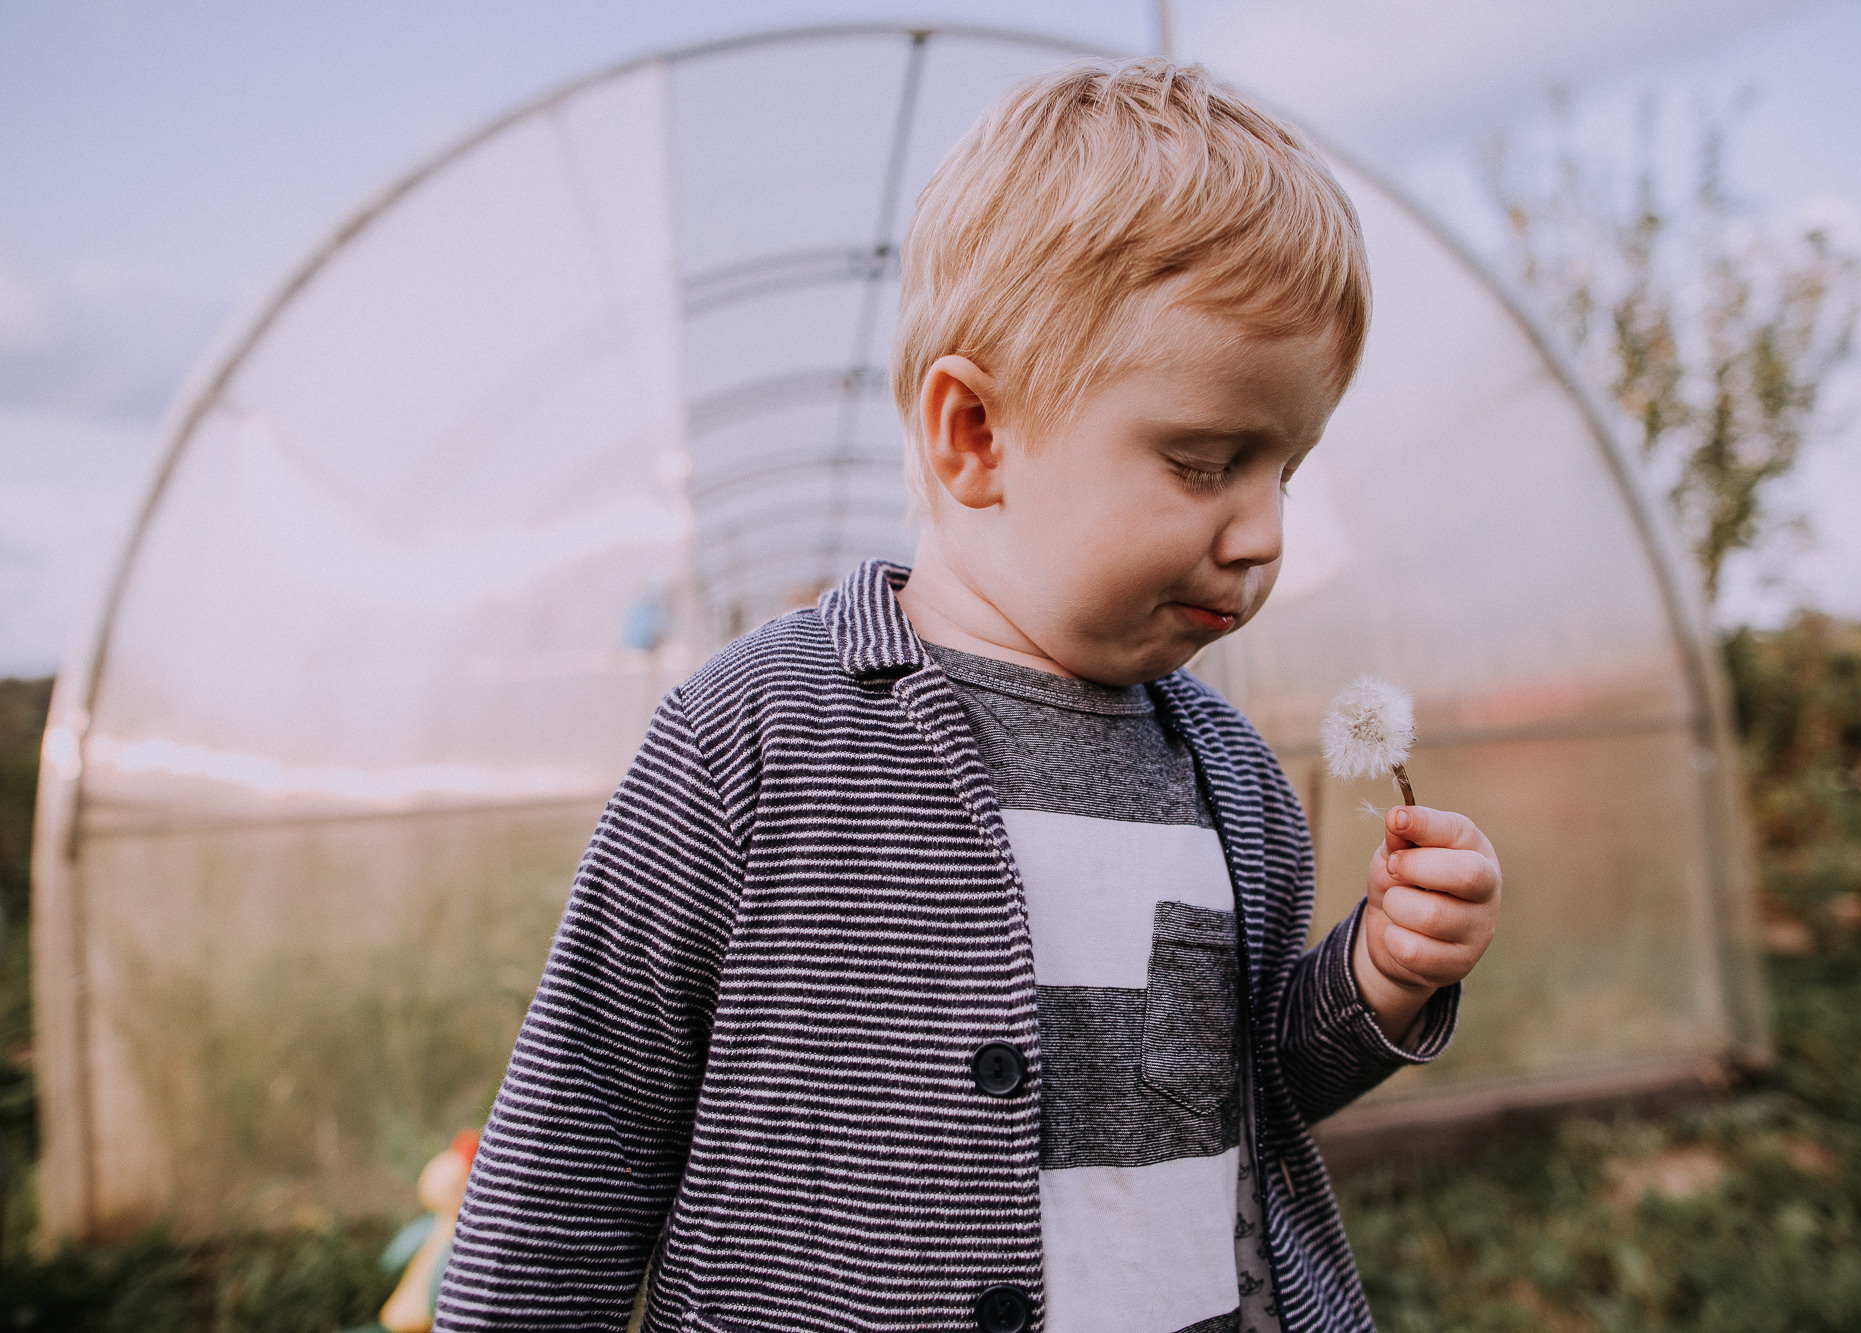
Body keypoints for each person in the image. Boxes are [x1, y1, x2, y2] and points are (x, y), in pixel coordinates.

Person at [435, 57, 1502, 1333]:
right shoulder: (758, 738)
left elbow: (1241, 1094)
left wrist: (1378, 977)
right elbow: (578, 1140)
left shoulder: (1232, 777)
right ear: (974, 435)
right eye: (1205, 462)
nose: (1263, 531)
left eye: (1286, 469)